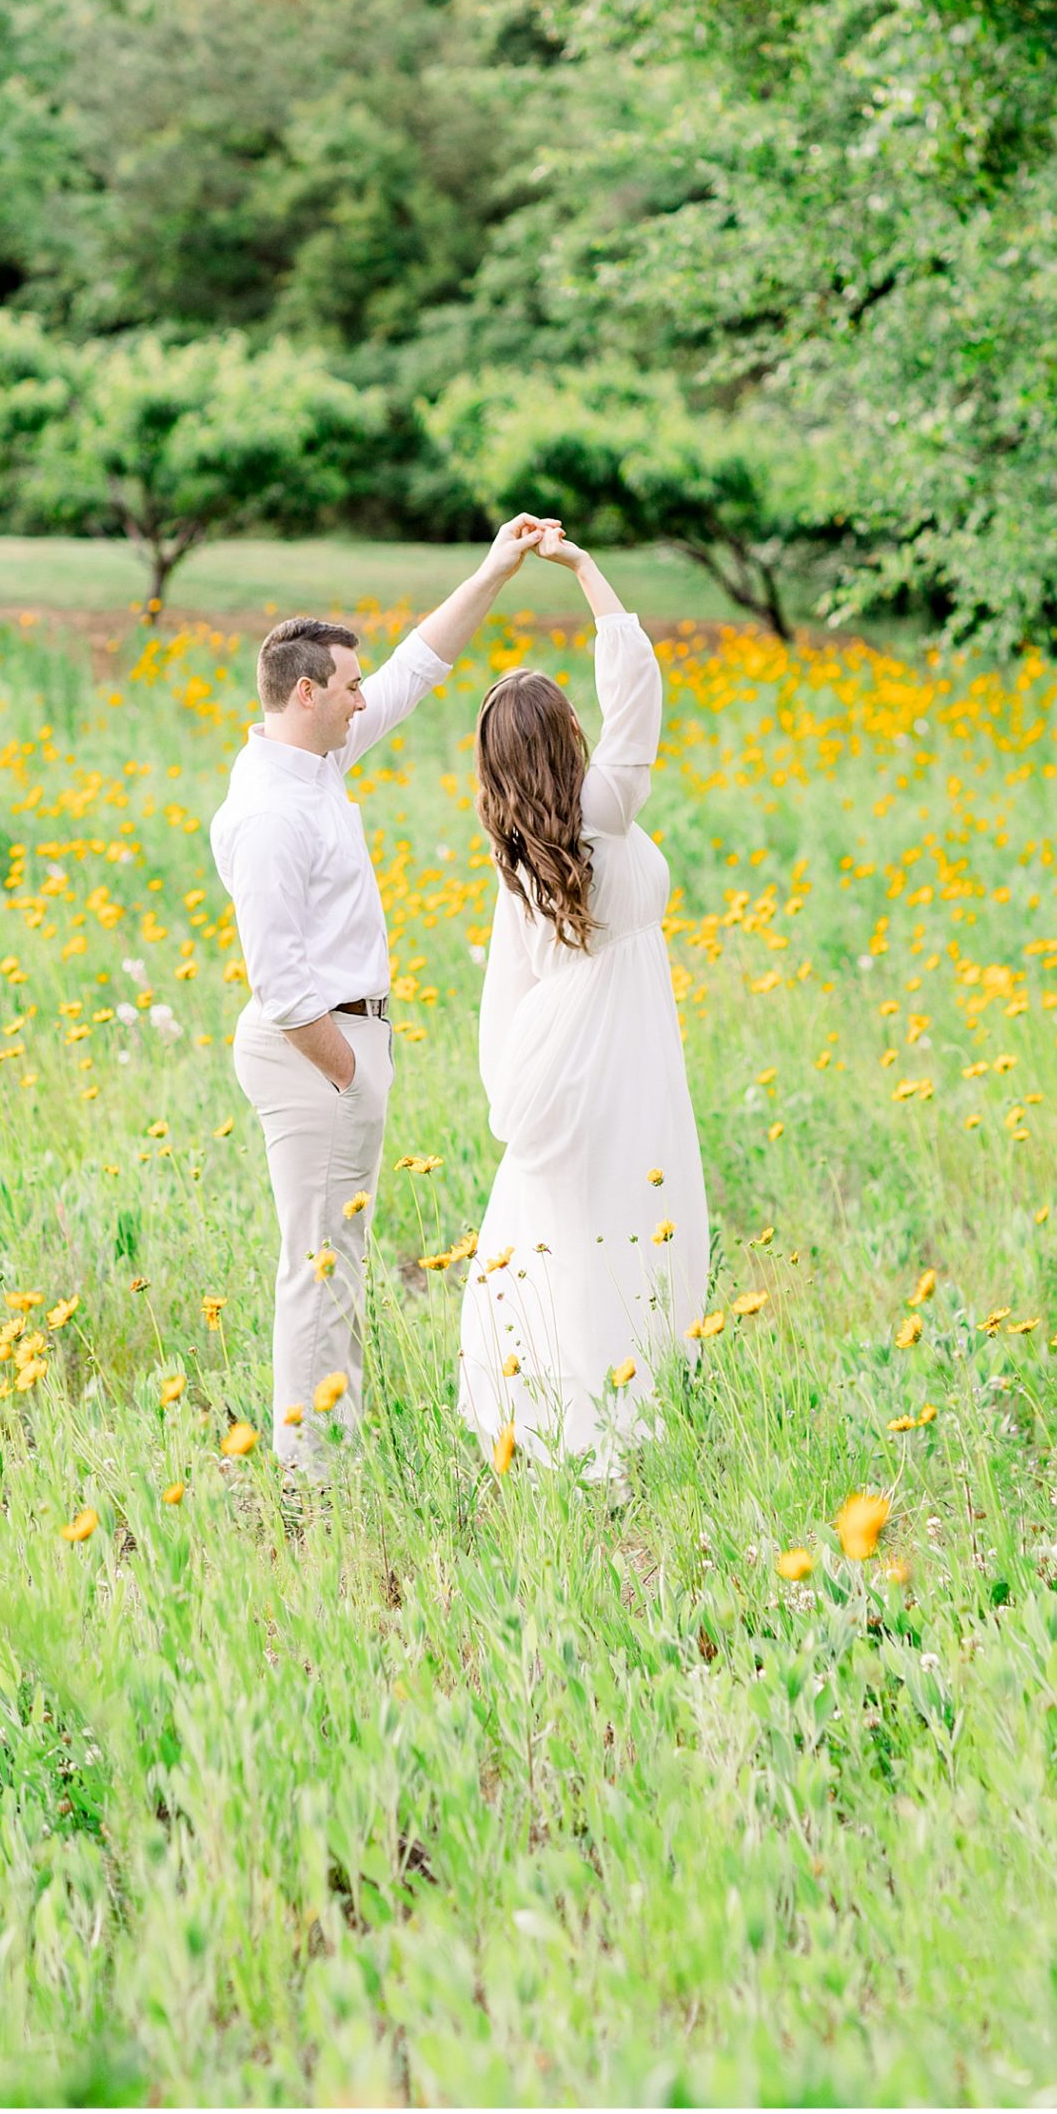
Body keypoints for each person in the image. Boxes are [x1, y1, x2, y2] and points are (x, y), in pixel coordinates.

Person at [210, 515, 554, 1483]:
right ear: (308, 692)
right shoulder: (273, 812)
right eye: (350, 686)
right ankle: (312, 1471)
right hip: (316, 1051)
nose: (368, 699)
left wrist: (494, 568)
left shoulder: (312, 763)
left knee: (338, 1262)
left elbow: (415, 667)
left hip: (339, 1046)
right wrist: (351, 1071)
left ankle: (334, 1445)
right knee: (318, 1267)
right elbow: (279, 985)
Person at [458, 525, 709, 1485]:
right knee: (633, 1210)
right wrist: (584, 570)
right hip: (623, 1044)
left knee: (579, 1220)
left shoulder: (517, 849)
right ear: (566, 737)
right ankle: (614, 1405)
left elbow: (510, 984)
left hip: (567, 1043)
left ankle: (585, 1399)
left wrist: (513, 1087)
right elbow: (635, 690)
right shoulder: (605, 806)